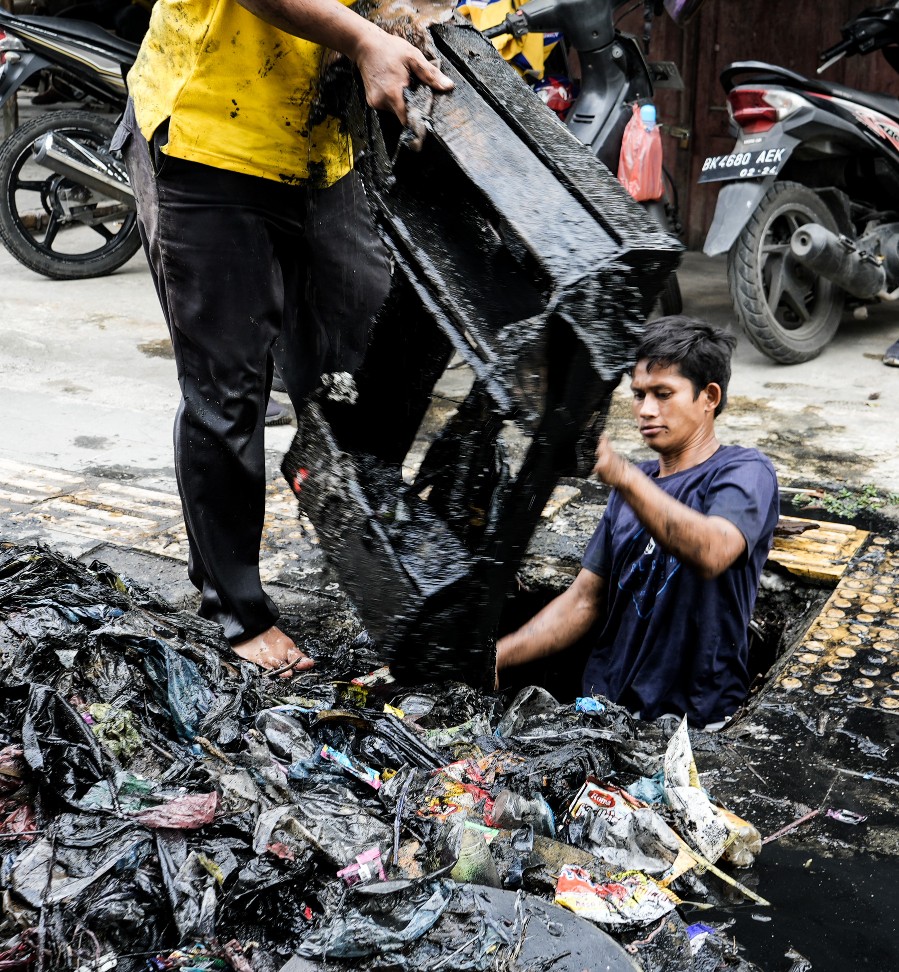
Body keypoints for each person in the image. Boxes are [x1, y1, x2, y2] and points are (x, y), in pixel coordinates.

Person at [114, 0, 453, 676]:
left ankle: (341, 517)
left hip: (319, 145)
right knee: (227, 389)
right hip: (210, 132)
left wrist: (398, 13)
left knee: (359, 364)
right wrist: (360, 36)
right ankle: (235, 610)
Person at [496, 317, 779, 729]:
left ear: (709, 397)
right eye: (639, 394)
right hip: (602, 712)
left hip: (692, 723)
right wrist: (498, 655)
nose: (646, 410)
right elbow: (583, 601)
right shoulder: (631, 488)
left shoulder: (744, 471)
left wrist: (623, 476)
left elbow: (714, 550)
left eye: (663, 394)